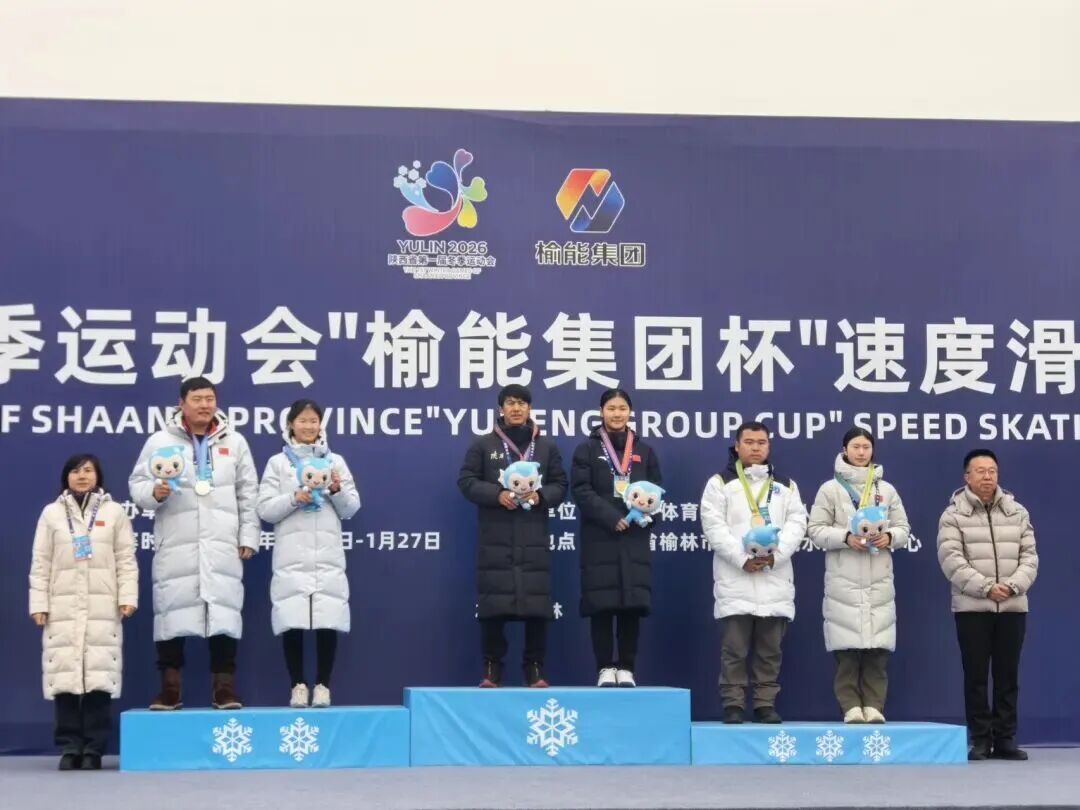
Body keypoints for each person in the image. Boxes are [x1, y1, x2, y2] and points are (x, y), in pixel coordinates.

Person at [129, 376, 259, 710]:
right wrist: (154, 493)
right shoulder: (160, 440)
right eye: (197, 399)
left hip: (221, 543)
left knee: (223, 612)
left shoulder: (235, 442)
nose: (204, 405)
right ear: (181, 404)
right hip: (177, 541)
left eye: (209, 399)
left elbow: (248, 493)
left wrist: (248, 536)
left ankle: (224, 689)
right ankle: (170, 689)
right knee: (172, 613)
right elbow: (137, 485)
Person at [29, 454, 138, 770]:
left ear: (98, 476)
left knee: (98, 677)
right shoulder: (51, 513)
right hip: (62, 606)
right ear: (66, 477)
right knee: (65, 676)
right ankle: (69, 747)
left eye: (88, 470)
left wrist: (127, 597)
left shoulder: (113, 512)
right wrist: (39, 604)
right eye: (75, 471)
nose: (82, 476)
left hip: (102, 605)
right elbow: (40, 562)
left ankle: (93, 749)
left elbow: (125, 559)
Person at [458, 384, 568, 688]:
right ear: (501, 409)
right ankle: (491, 668)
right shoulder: (483, 445)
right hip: (496, 538)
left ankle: (535, 669)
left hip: (534, 538)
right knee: (493, 607)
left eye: (522, 403)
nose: (516, 408)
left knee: (537, 607)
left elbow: (561, 485)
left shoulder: (546, 447)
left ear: (530, 408)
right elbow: (466, 481)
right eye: (510, 403)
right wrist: (497, 494)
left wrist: (540, 497)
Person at [699, 421, 807, 724]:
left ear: (769, 446)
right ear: (737, 446)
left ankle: (764, 705)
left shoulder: (786, 486)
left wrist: (775, 556)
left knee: (770, 651)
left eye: (761, 442)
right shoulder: (719, 483)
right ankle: (733, 704)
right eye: (749, 442)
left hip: (775, 578)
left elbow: (798, 523)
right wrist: (742, 558)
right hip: (736, 578)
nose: (755, 448)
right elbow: (713, 526)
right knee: (734, 650)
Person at [257, 399, 361, 708]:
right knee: (293, 619)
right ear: (291, 424)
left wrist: (336, 491)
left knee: (328, 618)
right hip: (291, 553)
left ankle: (324, 685)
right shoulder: (278, 463)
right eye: (302, 420)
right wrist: (294, 498)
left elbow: (352, 508)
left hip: (327, 553)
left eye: (314, 420)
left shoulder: (335, 462)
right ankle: (298, 685)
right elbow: (265, 509)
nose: (308, 426)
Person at [937, 449, 1038, 761]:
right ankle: (980, 739)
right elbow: (951, 560)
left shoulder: (1017, 512)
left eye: (992, 470)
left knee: (1008, 676)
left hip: (1012, 606)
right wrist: (986, 588)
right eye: (980, 471)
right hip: (972, 608)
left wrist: (1012, 586)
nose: (987, 476)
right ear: (966, 477)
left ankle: (1005, 739)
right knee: (976, 677)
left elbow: (1030, 557)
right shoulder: (953, 515)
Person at [807, 427, 910, 724]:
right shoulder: (830, 489)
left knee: (877, 650)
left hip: (879, 580)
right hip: (844, 581)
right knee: (847, 651)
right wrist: (846, 537)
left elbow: (903, 528)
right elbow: (815, 529)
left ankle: (875, 706)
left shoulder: (885, 490)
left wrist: (889, 537)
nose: (861, 452)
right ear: (844, 450)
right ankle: (851, 706)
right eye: (856, 446)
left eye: (866, 447)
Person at [572, 388, 661, 687]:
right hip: (600, 536)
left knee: (631, 606)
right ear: (601, 412)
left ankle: (626, 668)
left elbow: (657, 491)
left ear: (630, 412)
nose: (617, 414)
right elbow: (581, 491)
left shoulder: (645, 451)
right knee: (602, 604)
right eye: (611, 408)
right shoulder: (587, 449)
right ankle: (604, 668)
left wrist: (648, 516)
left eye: (622, 408)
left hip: (634, 538)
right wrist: (611, 518)